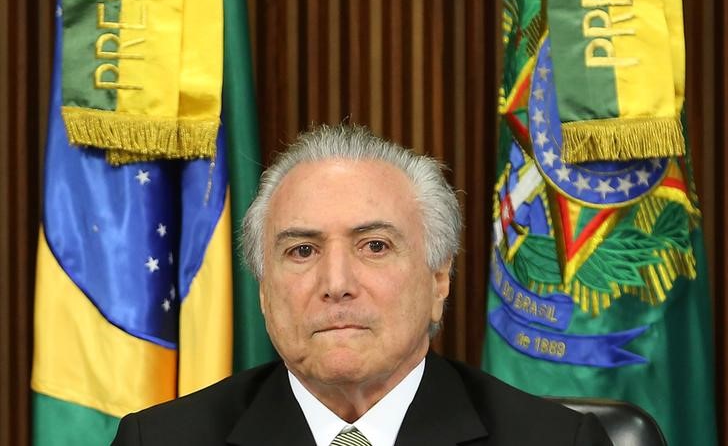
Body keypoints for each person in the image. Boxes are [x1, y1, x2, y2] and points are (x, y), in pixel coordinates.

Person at [112, 125, 612, 445]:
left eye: (374, 246)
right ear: (264, 293)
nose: (336, 284)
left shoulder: (554, 441)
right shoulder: (158, 440)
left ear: (439, 279)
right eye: (301, 251)